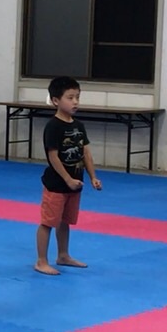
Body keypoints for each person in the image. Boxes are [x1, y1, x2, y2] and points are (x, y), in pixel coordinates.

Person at [35, 76, 102, 276]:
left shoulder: (78, 125)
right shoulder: (53, 126)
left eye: (77, 97)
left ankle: (63, 255)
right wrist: (67, 179)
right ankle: (41, 261)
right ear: (56, 100)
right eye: (70, 98)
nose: (75, 102)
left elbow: (86, 153)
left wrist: (93, 176)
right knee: (48, 222)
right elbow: (53, 156)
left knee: (65, 221)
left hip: (75, 183)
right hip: (57, 183)